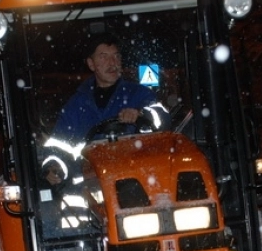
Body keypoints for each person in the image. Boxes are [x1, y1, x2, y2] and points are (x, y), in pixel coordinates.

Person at [42, 33, 168, 185]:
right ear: (91, 64)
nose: (112, 63)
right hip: (91, 186)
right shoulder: (76, 104)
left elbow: (163, 118)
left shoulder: (138, 93)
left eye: (116, 57)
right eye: (104, 56)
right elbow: (57, 146)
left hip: (138, 180)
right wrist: (54, 166)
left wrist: (141, 114)